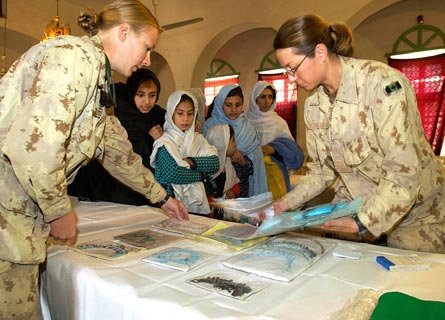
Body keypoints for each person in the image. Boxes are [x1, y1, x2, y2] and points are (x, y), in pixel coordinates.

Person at [0, 1, 188, 318]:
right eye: (147, 47)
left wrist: (161, 196)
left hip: (20, 219)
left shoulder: (98, 78)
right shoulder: (72, 58)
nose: (148, 60)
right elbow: (35, 148)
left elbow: (117, 152)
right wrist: (60, 211)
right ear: (124, 32)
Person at [272, 14, 445, 253]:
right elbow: (323, 171)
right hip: (361, 208)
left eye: (293, 68)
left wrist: (364, 222)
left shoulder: (382, 85)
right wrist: (282, 205)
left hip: (417, 217)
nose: (291, 79)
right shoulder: (313, 106)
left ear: (320, 53)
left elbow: (404, 170)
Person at [69, 68, 165, 205]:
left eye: (152, 95)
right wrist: (148, 140)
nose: (147, 101)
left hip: (142, 188)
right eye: (141, 95)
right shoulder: (115, 111)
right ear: (132, 92)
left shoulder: (157, 115)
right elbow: (115, 151)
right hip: (107, 187)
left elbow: (175, 118)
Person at [150, 91, 220, 215]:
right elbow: (172, 173)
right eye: (180, 113)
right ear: (171, 113)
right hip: (169, 205)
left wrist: (191, 162)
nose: (186, 118)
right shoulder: (164, 142)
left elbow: (214, 163)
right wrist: (202, 176)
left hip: (197, 207)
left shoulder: (197, 139)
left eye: (190, 113)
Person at [202, 84, 268, 197]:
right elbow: (203, 160)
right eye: (228, 105)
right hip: (217, 189)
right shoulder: (209, 126)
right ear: (220, 104)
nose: (233, 110)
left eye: (238, 105)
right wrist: (226, 153)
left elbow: (257, 164)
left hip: (243, 188)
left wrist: (243, 162)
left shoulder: (249, 129)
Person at [245, 81, 304, 200]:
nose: (267, 101)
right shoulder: (245, 120)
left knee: (275, 209)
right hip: (250, 170)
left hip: (275, 172)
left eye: (270, 97)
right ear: (255, 99)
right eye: (262, 97)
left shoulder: (278, 122)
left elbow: (290, 149)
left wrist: (273, 149)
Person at [204, 124, 240, 200]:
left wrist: (233, 192)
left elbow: (235, 183)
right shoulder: (207, 168)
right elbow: (204, 196)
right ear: (223, 143)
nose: (235, 145)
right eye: (233, 141)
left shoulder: (227, 163)